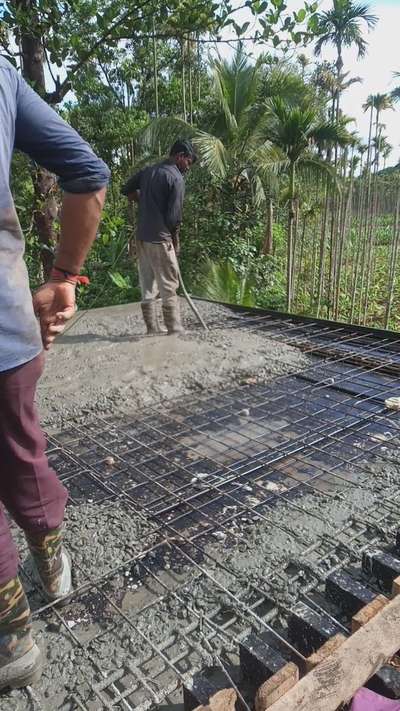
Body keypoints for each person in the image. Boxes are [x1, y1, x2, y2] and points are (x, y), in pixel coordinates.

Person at [0, 57, 110, 689]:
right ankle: (53, 566)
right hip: (10, 325)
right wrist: (64, 277)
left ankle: (11, 635)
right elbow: (88, 174)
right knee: (20, 443)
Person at [122, 139, 197, 335]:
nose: (188, 167)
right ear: (180, 156)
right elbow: (174, 219)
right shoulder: (176, 178)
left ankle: (152, 329)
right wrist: (175, 241)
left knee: (148, 286)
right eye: (188, 162)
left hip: (143, 238)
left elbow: (126, 189)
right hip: (161, 238)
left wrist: (144, 203)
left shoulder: (148, 171)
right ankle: (174, 328)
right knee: (169, 284)